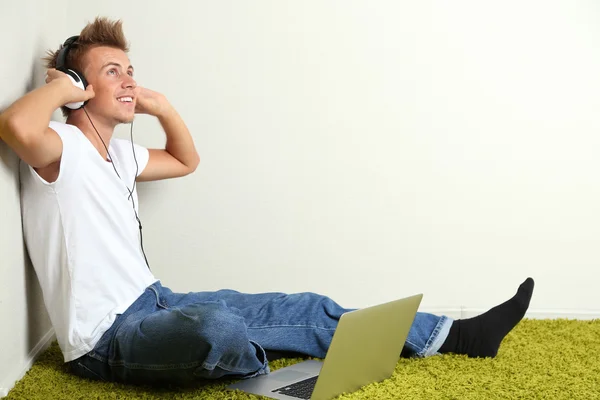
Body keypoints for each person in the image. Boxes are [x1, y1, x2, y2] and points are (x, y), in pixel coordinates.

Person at [0, 17, 535, 387]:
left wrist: (161, 107)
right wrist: (64, 86)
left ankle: (459, 335)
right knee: (217, 328)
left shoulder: (119, 154)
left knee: (301, 305)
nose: (129, 81)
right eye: (111, 71)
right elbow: (14, 124)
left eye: (130, 69)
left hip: (154, 300)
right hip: (104, 340)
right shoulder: (60, 147)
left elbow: (186, 161)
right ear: (76, 86)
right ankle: (264, 371)